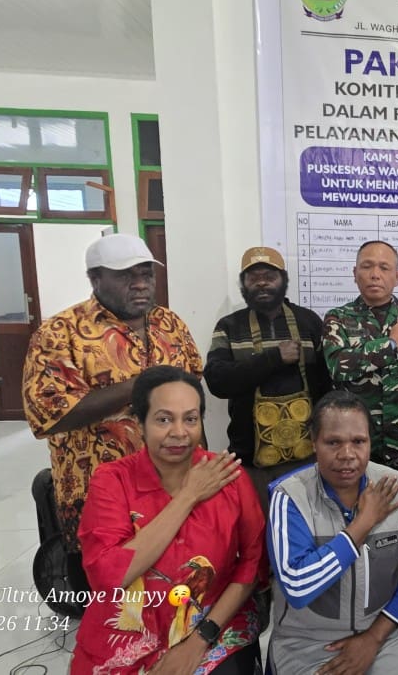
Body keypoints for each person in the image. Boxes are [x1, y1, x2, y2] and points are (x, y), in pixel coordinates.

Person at [22, 234, 202, 594]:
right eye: (125, 275)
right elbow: (47, 414)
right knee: (105, 597)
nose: (140, 284)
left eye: (146, 273)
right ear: (95, 278)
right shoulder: (60, 332)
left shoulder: (170, 324)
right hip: (97, 492)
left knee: (172, 590)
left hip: (171, 487)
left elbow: (192, 390)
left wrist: (201, 461)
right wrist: (141, 387)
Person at [73, 366, 267, 674]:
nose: (179, 432)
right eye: (164, 419)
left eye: (190, 419)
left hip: (211, 623)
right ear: (140, 423)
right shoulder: (112, 481)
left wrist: (198, 641)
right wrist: (189, 496)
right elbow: (109, 576)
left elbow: (251, 566)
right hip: (126, 632)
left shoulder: (229, 477)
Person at [267, 390, 398, 674]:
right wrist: (363, 523)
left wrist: (375, 636)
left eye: (358, 441)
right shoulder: (291, 496)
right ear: (314, 443)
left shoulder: (397, 487)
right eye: (333, 442)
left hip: (392, 631)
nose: (347, 455)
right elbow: (298, 586)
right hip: (310, 642)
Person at [205, 246, 331, 505]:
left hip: (307, 459)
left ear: (283, 280)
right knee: (256, 527)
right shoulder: (229, 326)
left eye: (269, 276)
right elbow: (217, 381)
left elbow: (327, 386)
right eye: (253, 277)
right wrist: (273, 358)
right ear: (243, 284)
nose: (261, 283)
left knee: (306, 523)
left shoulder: (308, 322)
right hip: (250, 463)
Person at [323, 241, 398, 470]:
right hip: (354, 442)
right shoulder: (338, 318)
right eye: (367, 266)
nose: (375, 274)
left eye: (384, 268)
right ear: (355, 274)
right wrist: (392, 344)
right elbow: (338, 366)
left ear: (397, 277)